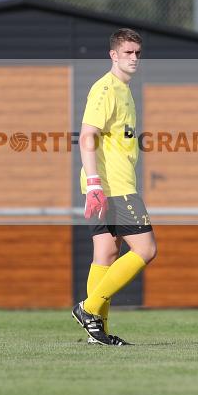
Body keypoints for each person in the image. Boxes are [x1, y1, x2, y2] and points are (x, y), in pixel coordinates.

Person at [71, 28, 157, 346]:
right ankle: (88, 309)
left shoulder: (124, 89)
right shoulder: (106, 89)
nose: (134, 58)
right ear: (113, 55)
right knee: (146, 249)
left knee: (106, 254)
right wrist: (94, 183)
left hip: (110, 185)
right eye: (128, 53)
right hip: (113, 186)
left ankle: (98, 334)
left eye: (137, 52)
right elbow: (86, 135)